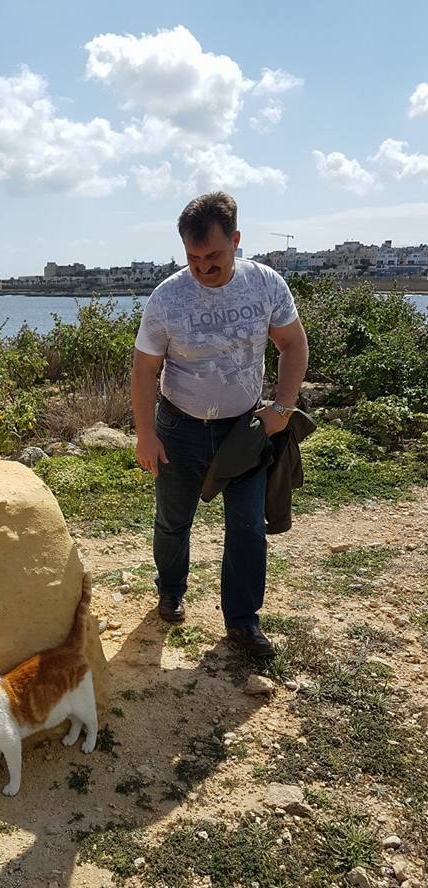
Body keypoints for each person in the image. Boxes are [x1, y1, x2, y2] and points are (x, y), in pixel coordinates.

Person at [131, 192, 309, 660]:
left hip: (244, 430)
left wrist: (282, 409)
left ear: (236, 240)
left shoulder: (266, 285)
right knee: (173, 521)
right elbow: (144, 368)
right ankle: (171, 590)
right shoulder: (168, 297)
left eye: (213, 256)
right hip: (179, 427)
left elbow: (293, 344)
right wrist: (145, 434)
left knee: (248, 526)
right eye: (192, 257)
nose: (202, 268)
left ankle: (243, 622)